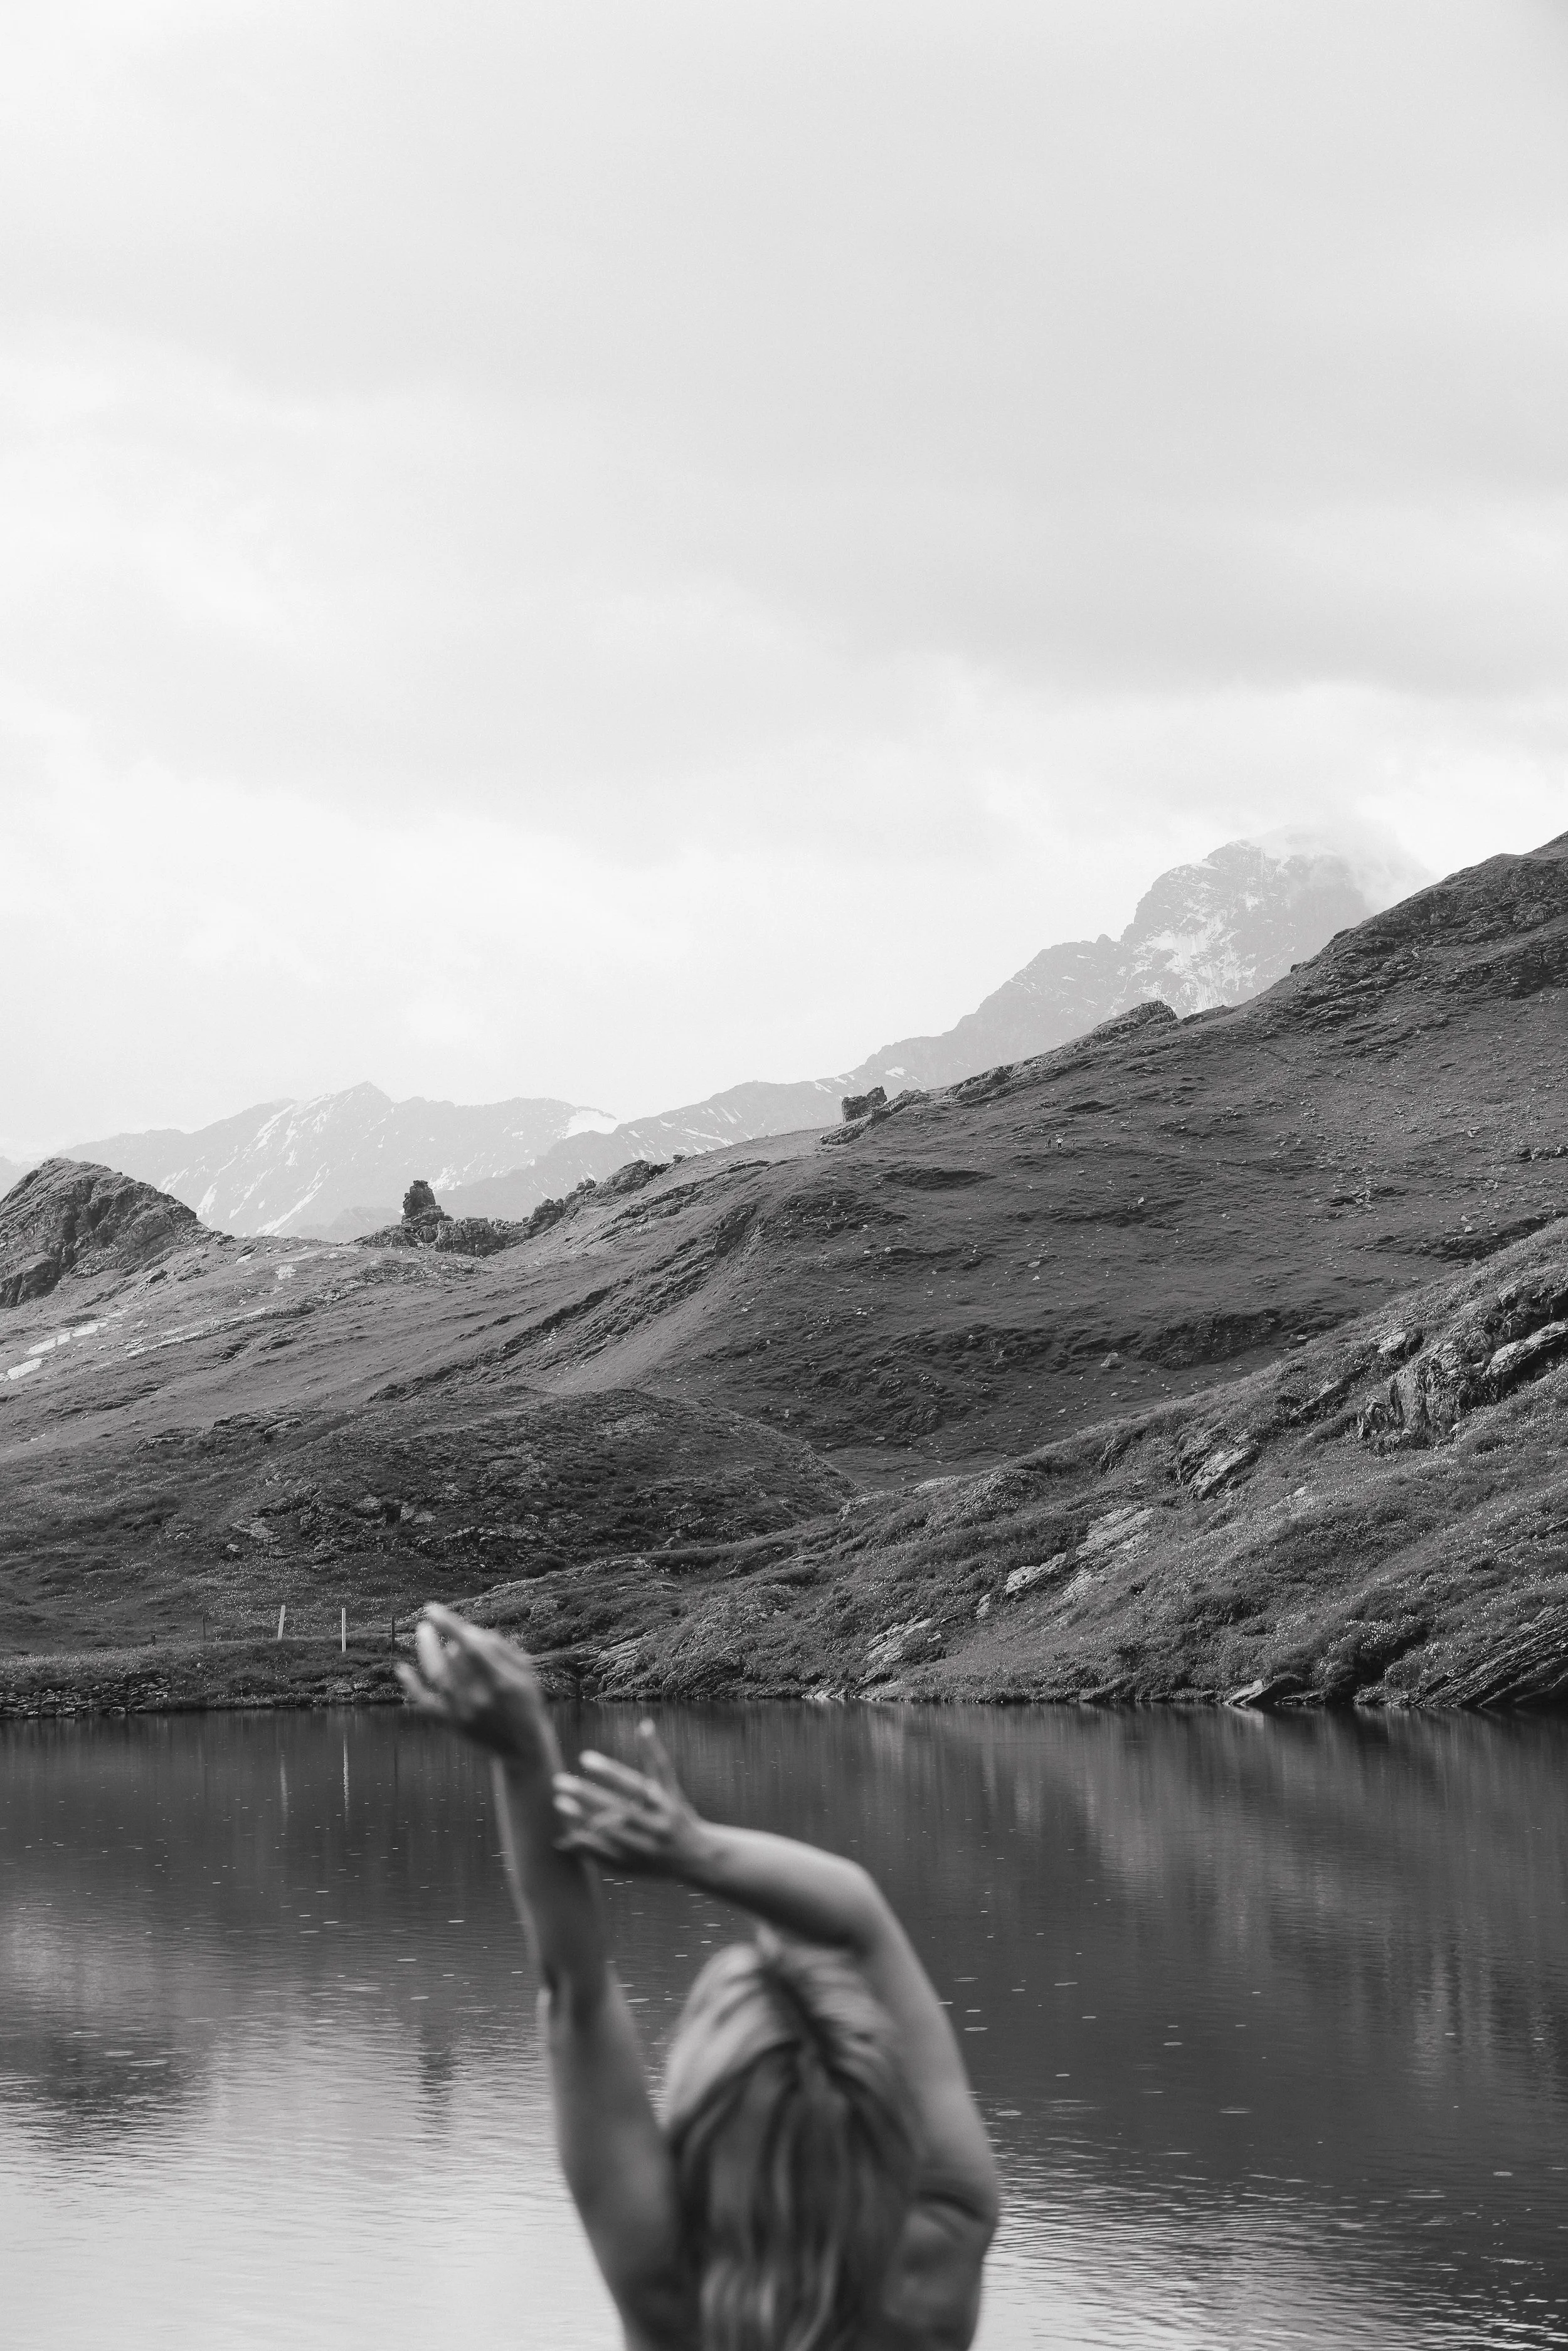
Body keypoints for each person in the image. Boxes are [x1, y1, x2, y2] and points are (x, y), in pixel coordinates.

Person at [399, 1604, 1000, 2351]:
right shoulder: (938, 2257)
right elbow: (858, 1919)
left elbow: (574, 1994)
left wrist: (524, 1752)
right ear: (881, 2110)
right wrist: (694, 1849)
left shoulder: (674, 2290)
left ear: (702, 2108)